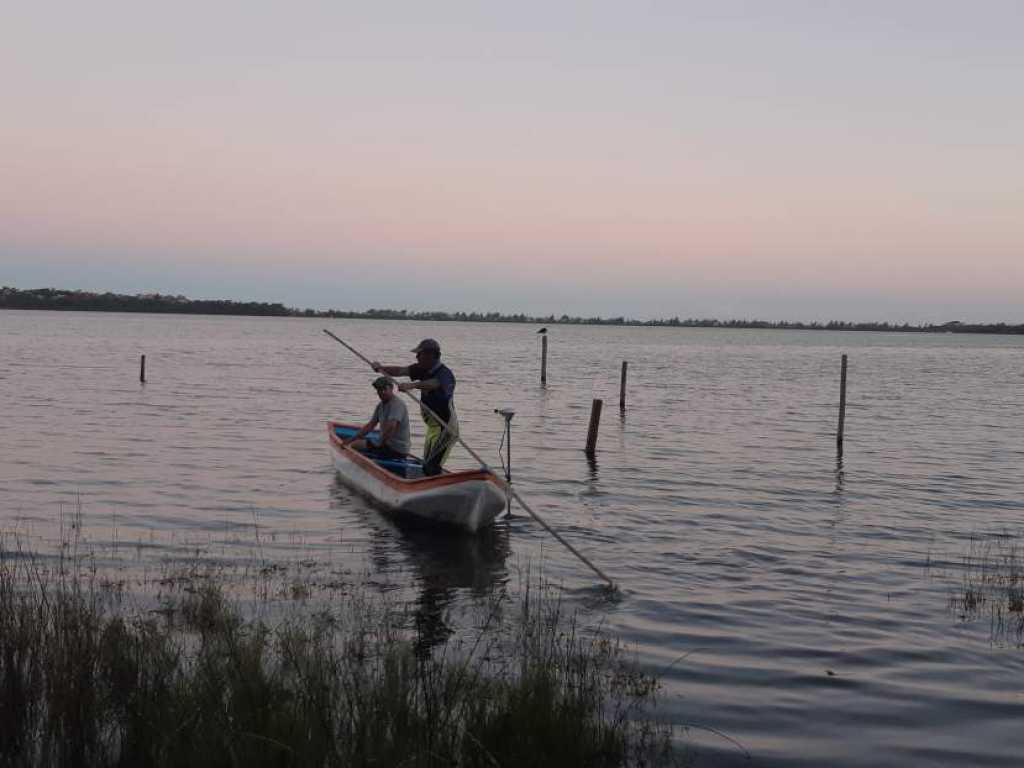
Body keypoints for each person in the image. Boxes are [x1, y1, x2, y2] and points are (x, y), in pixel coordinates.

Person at [371, 338, 457, 476]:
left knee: (432, 466)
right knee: (427, 464)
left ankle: (432, 487)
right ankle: (426, 482)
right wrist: (381, 368)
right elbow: (400, 371)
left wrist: (413, 385)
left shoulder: (445, 374)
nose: (417, 357)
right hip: (433, 428)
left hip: (445, 428)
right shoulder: (421, 369)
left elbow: (435, 383)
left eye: (420, 354)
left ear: (431, 356)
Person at [341, 376, 411, 461]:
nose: (382, 392)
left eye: (384, 389)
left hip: (396, 449)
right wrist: (351, 439)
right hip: (386, 445)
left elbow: (391, 427)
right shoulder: (380, 406)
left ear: (391, 388)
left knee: (355, 445)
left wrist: (380, 443)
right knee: (356, 441)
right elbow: (370, 426)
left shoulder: (397, 404)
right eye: (379, 390)